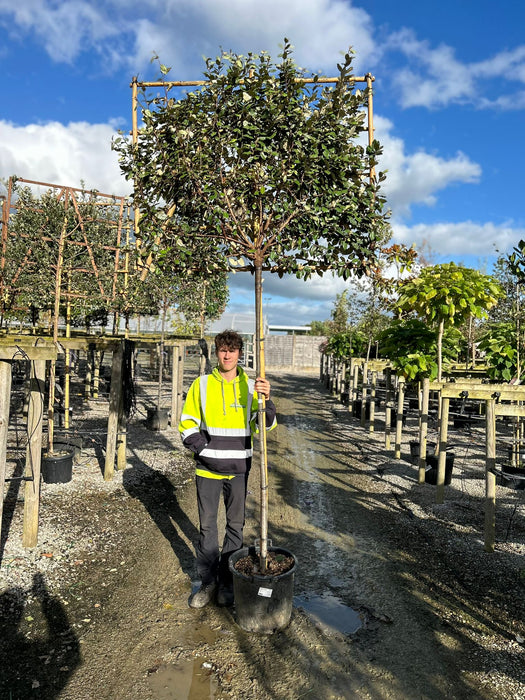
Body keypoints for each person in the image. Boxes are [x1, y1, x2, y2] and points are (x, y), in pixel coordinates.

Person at [179, 329, 277, 608]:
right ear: (216, 352)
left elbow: (267, 425)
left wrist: (266, 399)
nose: (227, 354)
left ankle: (228, 581)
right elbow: (187, 424)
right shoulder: (202, 385)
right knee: (207, 526)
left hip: (239, 470)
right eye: (222, 349)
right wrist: (205, 450)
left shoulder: (251, 387)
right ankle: (208, 582)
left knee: (235, 526)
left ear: (239, 353)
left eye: (232, 350)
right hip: (207, 470)